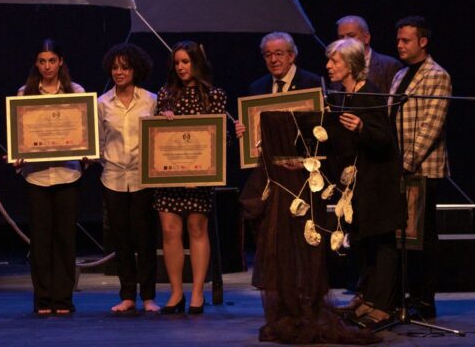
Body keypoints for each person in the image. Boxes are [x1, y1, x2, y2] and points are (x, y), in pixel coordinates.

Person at [325, 38, 403, 329]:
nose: (329, 66)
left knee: (381, 242)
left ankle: (384, 305)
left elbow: (385, 140)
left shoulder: (370, 93)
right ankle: (368, 298)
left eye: (335, 61)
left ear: (351, 65)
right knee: (362, 242)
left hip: (377, 183)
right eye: (330, 60)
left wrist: (362, 127)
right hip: (354, 184)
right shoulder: (342, 96)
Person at [235, 33, 320, 288]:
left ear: (292, 55)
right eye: (268, 55)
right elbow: (256, 129)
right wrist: (243, 131)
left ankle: (305, 283)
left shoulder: (312, 83)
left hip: (302, 173)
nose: (273, 60)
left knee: (301, 228)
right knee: (272, 228)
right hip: (271, 173)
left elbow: (319, 129)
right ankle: (278, 283)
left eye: (279, 53)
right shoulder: (258, 87)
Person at [155, 41, 227, 314]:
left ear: (197, 62)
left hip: (200, 176)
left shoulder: (214, 95)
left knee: (197, 229)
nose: (181, 67)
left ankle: (197, 293)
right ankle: (176, 293)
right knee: (170, 231)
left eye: (186, 61)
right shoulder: (166, 94)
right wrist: (164, 119)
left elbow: (221, 138)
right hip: (169, 176)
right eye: (177, 62)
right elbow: (156, 137)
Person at [15, 39, 85, 315]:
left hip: (67, 173)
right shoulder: (25, 93)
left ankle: (63, 299)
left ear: (61, 62)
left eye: (52, 61)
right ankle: (43, 299)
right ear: (36, 63)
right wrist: (17, 154)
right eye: (42, 61)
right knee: (41, 240)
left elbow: (83, 131)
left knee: (65, 239)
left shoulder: (75, 91)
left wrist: (86, 151)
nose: (47, 66)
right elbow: (20, 135)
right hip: (37, 177)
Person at [389, 16, 452, 319]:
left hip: (423, 169)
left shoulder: (437, 75)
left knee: (422, 238)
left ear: (423, 42)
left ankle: (425, 301)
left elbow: (432, 125)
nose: (400, 45)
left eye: (406, 40)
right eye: (399, 40)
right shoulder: (400, 75)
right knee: (402, 237)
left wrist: (406, 162)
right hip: (400, 168)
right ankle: (404, 296)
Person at [98, 43, 159, 313]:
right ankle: (127, 295)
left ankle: (148, 296)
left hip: (143, 179)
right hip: (112, 177)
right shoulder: (102, 103)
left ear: (136, 69)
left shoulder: (151, 100)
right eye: (115, 68)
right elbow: (98, 141)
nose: (119, 72)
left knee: (145, 239)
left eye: (125, 67)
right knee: (121, 239)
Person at [336, 15, 403, 93]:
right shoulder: (337, 68)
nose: (345, 41)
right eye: (341, 37)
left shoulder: (390, 66)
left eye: (351, 36)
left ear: (366, 38)